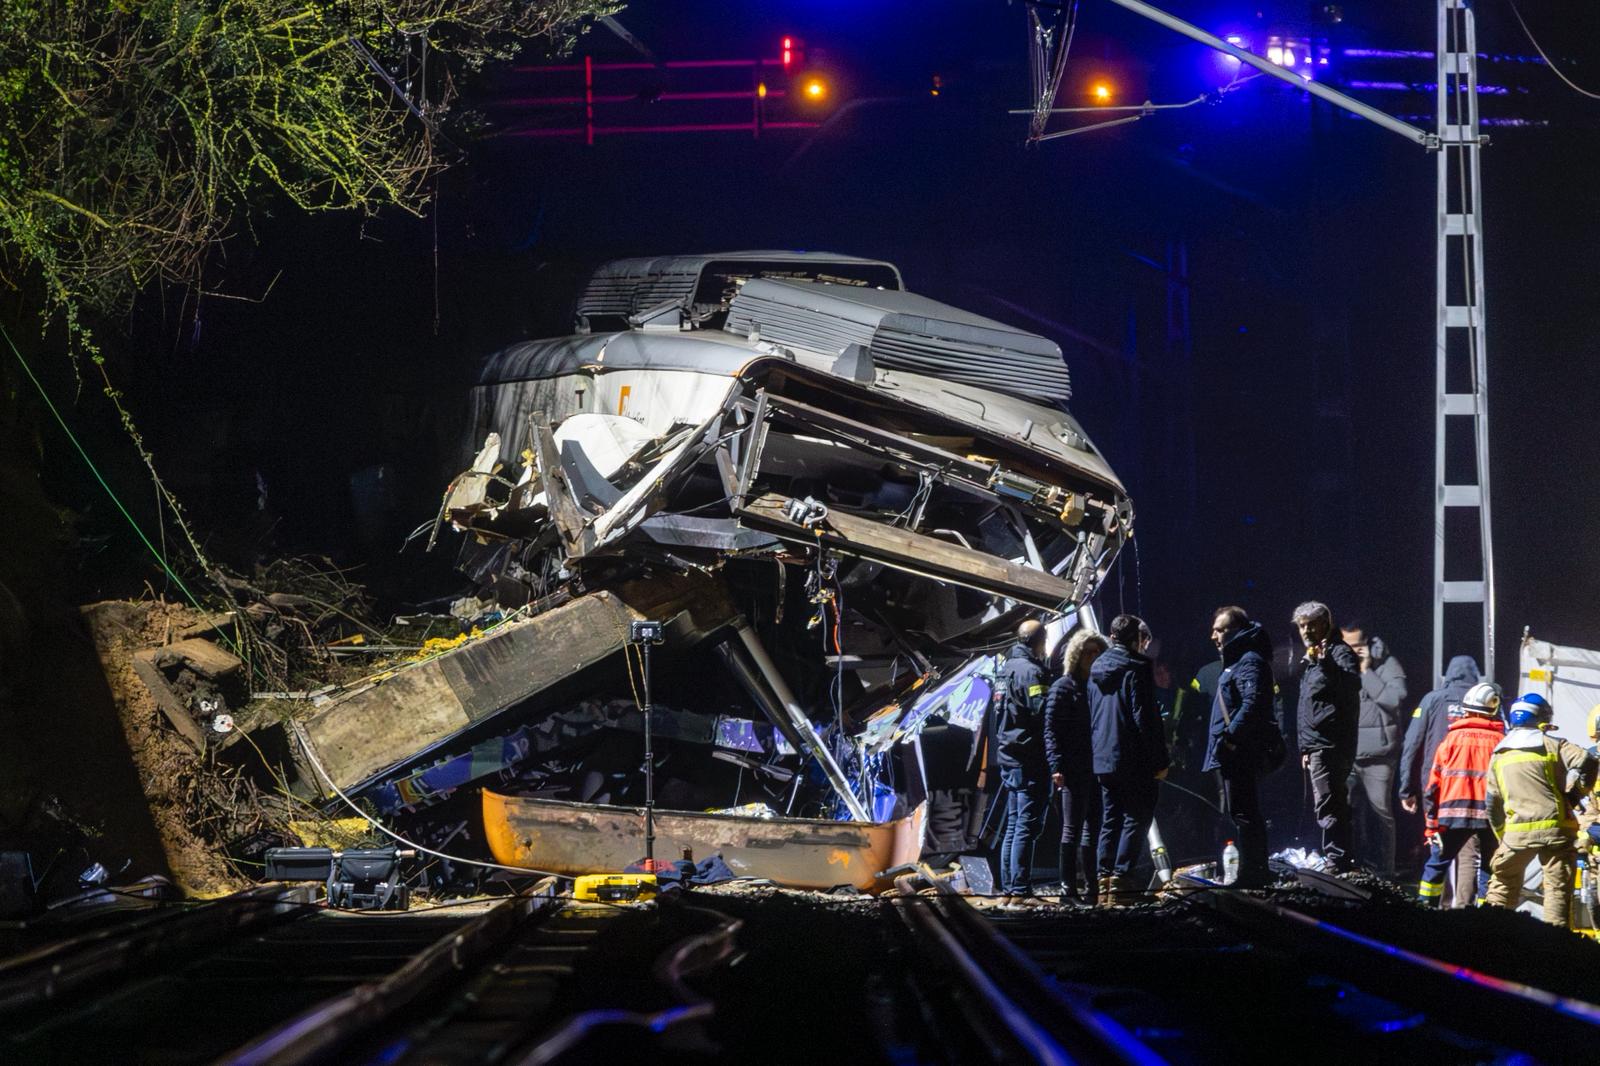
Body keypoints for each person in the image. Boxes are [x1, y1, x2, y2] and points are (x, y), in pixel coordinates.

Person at [1484, 694, 1599, 926]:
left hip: (1516, 835)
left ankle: (1488, 935)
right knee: (1557, 892)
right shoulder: (1553, 745)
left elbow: (1492, 805)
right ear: (1541, 718)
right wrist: (1576, 792)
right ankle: (1554, 947)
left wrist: (1502, 837)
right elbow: (1589, 760)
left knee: (1501, 886)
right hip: (1556, 831)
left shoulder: (1499, 755)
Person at [1089, 614, 1170, 905]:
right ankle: (1122, 882)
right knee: (1137, 815)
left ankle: (1104, 882)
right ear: (1137, 639)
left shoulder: (1096, 669)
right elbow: (1145, 718)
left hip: (1103, 757)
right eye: (1144, 641)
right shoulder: (1137, 668)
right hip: (1134, 759)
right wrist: (1160, 760)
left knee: (1111, 818)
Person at [1202, 606, 1278, 888]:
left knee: (1245, 813)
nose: (1213, 636)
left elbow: (1252, 703)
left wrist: (1230, 739)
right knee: (1242, 812)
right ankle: (1253, 870)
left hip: (1240, 751)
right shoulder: (1241, 660)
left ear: (1237, 630)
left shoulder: (1248, 661)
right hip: (1235, 750)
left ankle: (1253, 873)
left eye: (1219, 629)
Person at [1398, 655, 1482, 903]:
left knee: (1439, 848)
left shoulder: (1433, 699)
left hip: (1438, 789)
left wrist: (1406, 789)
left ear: (1449, 674)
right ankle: (1466, 912)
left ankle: (1437, 908)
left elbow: (1411, 744)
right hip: (1476, 790)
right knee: (1470, 853)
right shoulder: (1487, 703)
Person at [1417, 682, 1503, 904]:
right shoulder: (1500, 742)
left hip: (1452, 816)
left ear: (1466, 709)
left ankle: (1424, 912)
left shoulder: (1451, 740)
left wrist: (1431, 826)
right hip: (1489, 818)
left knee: (1436, 865)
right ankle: (1485, 920)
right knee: (1489, 869)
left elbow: (1432, 786)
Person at [1293, 601, 1361, 871]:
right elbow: (1309, 708)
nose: (1306, 630)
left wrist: (1326, 665)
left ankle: (1337, 860)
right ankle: (1336, 857)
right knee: (1329, 802)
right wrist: (1305, 748)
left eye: (1311, 624)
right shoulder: (1313, 658)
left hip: (1331, 745)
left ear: (1325, 624)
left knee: (1329, 804)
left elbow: (1351, 685)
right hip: (1318, 745)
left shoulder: (1337, 653)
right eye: (1301, 625)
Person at [1043, 629, 1108, 904]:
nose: (1093, 657)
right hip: (1072, 767)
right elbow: (1051, 729)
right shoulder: (1063, 686)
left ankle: (1091, 888)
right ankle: (1067, 889)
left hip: (1096, 767)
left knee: (1093, 827)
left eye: (1097, 652)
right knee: (1072, 828)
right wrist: (1056, 765)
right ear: (1077, 655)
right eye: (1088, 652)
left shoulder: (1098, 686)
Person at [1339, 623, 1408, 876]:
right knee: (1341, 812)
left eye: (1357, 645)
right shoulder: (1336, 663)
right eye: (1347, 645)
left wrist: (1366, 671)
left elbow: (1394, 698)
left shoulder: (1387, 664)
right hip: (1345, 753)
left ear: (1367, 643)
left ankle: (1384, 873)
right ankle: (1347, 866)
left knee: (1380, 815)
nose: (1352, 650)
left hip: (1378, 756)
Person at [995, 619, 1051, 902]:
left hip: (1008, 755)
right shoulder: (1031, 673)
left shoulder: (1005, 670)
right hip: (1028, 757)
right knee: (1026, 826)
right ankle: (1019, 890)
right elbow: (1042, 714)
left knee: (1014, 824)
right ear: (1039, 641)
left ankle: (1009, 888)